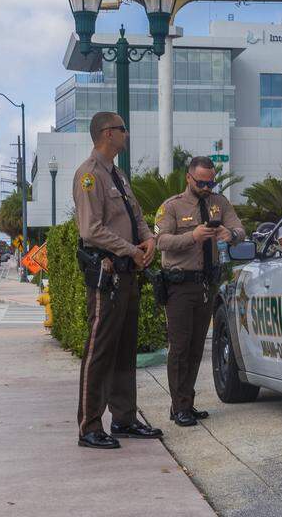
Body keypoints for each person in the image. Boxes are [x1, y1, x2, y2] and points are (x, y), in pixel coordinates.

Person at [72, 111, 163, 448]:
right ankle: (90, 426)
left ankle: (124, 419)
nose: (127, 134)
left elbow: (136, 216)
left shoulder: (118, 175)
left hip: (128, 273)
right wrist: (130, 250)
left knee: (125, 349)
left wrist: (148, 240)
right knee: (99, 350)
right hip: (106, 275)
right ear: (107, 134)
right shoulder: (89, 176)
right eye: (123, 129)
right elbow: (91, 230)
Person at [154, 156, 245, 426]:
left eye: (211, 182)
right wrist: (191, 237)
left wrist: (232, 235)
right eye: (202, 182)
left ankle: (187, 404)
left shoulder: (220, 203)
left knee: (196, 348)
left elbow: (239, 227)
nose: (207, 187)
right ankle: (178, 406)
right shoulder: (172, 206)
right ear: (189, 178)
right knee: (179, 348)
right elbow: (160, 240)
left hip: (206, 283)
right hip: (180, 285)